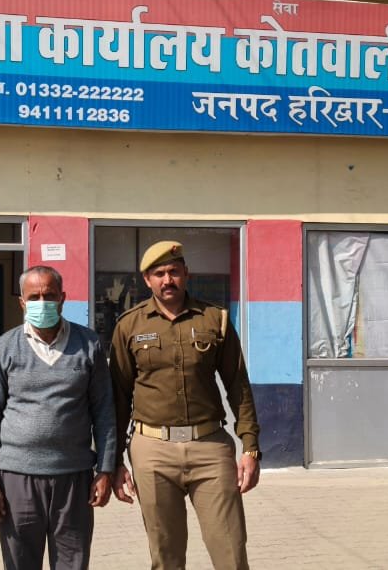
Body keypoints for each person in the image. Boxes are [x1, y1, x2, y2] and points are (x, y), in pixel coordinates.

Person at [109, 240, 261, 570]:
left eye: (174, 271)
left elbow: (238, 386)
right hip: (152, 451)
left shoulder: (214, 319)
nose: (168, 280)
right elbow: (118, 397)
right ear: (147, 279)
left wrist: (250, 448)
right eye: (159, 274)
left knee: (231, 552)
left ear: (186, 274)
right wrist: (115, 461)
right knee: (166, 556)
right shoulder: (129, 325)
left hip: (210, 448)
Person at [0, 265, 116, 570]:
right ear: (22, 302)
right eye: (34, 297)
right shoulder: (5, 347)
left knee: (72, 563)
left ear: (62, 298)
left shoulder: (88, 344)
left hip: (74, 478)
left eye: (49, 296)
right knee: (20, 563)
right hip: (17, 478)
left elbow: (104, 411)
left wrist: (105, 470)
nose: (42, 303)